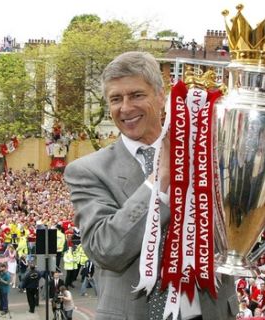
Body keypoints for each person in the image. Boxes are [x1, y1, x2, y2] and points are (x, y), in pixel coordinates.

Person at [64, 51, 238, 320]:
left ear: (161, 96)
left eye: (136, 95)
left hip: (208, 311)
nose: (125, 108)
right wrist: (159, 180)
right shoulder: (87, 171)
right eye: (116, 99)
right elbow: (105, 250)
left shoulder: (207, 153)